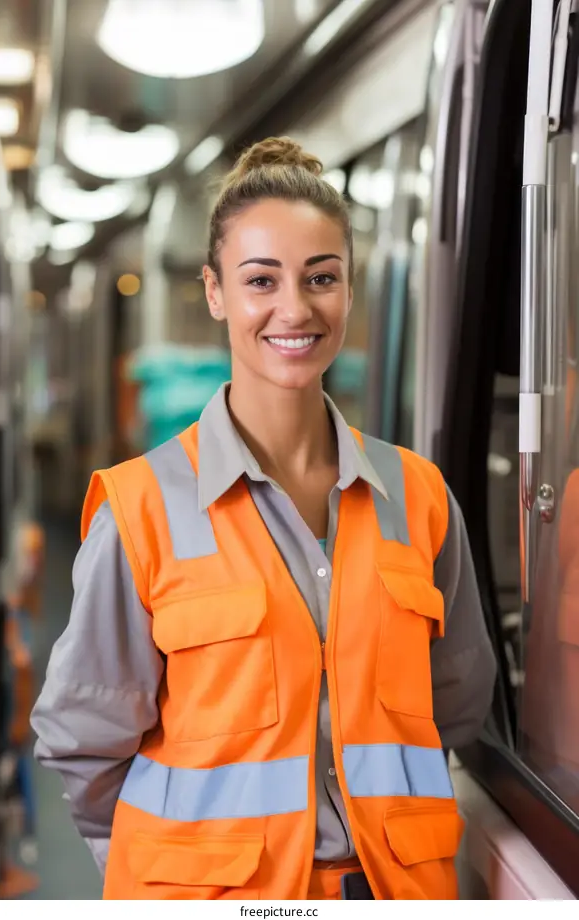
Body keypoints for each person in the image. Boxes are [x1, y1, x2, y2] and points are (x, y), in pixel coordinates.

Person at [31, 137, 497, 901]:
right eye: (261, 280)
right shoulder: (141, 508)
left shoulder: (419, 497)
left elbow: (453, 710)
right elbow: (86, 746)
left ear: (349, 291)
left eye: (322, 278)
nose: (295, 308)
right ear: (216, 293)